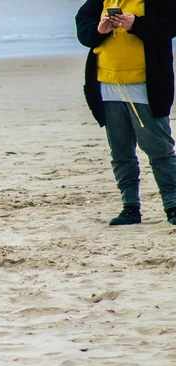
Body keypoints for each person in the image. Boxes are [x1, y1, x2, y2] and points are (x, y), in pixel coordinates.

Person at [75, 0, 176, 225]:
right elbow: (83, 29)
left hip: (146, 85)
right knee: (120, 152)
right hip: (106, 84)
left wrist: (137, 24)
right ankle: (130, 208)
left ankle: (172, 206)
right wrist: (98, 30)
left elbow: (170, 25)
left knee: (159, 149)